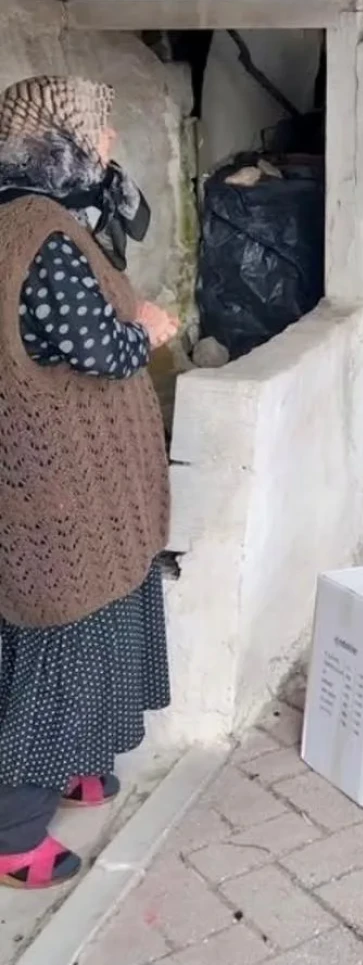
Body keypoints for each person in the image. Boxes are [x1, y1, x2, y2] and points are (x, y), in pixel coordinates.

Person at [0, 76, 176, 891]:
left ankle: (72, 765)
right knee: (58, 651)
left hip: (57, 486)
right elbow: (101, 349)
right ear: (65, 144)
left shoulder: (21, 215)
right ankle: (13, 832)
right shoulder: (42, 233)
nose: (110, 146)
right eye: (100, 132)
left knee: (86, 635)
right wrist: (148, 325)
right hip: (57, 492)